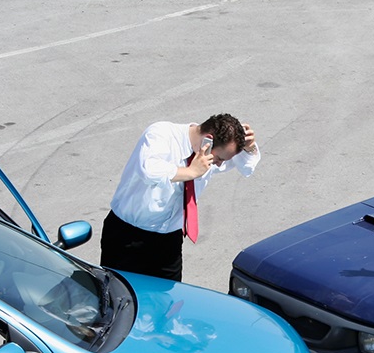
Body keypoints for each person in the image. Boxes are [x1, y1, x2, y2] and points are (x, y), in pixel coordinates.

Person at [100, 113, 260, 281]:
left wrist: (250, 148)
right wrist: (191, 172)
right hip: (127, 237)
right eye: (219, 158)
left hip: (169, 241)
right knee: (118, 299)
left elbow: (247, 168)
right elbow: (149, 170)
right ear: (208, 140)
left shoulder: (207, 155)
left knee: (169, 300)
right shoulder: (161, 133)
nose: (219, 164)